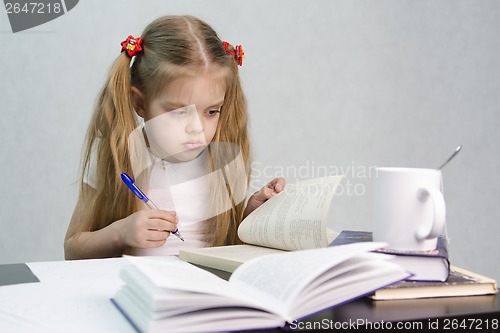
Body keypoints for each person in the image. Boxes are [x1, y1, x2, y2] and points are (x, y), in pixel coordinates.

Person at [64, 15, 285, 260]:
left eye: (211, 112)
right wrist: (121, 232)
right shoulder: (117, 159)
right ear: (140, 103)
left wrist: (251, 214)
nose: (197, 128)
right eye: (179, 112)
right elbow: (73, 250)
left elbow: (225, 241)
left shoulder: (219, 159)